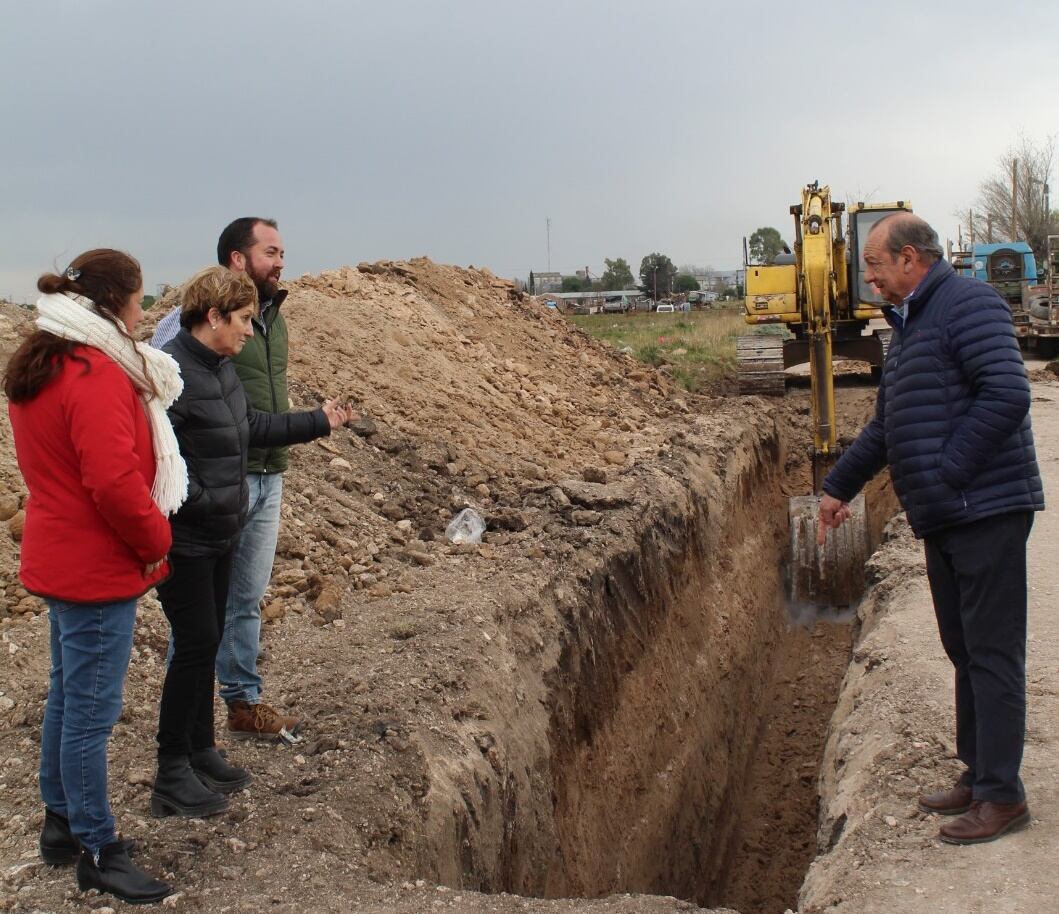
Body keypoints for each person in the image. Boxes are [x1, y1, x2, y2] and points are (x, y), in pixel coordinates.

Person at [818, 213, 1044, 845]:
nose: (867, 276)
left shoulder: (969, 304)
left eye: (874, 264)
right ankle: (980, 775)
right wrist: (838, 488)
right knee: (964, 649)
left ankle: (1003, 797)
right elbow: (888, 429)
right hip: (949, 514)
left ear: (911, 259)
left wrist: (948, 473)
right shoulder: (910, 326)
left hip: (985, 509)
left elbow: (1007, 394)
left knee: (992, 652)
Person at [5, 250, 186, 903]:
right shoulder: (95, 372)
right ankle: (96, 846)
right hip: (97, 564)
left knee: (66, 693)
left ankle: (61, 823)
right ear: (115, 301)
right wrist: (158, 538)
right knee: (89, 709)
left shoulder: (45, 361)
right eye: (139, 300)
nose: (144, 312)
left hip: (60, 553)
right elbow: (112, 480)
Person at [150, 266, 352, 817]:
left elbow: (251, 429)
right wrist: (180, 519)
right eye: (242, 320)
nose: (248, 331)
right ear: (212, 317)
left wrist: (318, 422)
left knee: (207, 642)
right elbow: (151, 462)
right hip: (186, 539)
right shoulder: (174, 378)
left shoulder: (219, 369)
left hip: (221, 534)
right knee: (194, 648)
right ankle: (171, 771)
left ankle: (200, 749)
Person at [152, 218, 307, 740]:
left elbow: (256, 413)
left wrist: (318, 422)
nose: (281, 261)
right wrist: (191, 492)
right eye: (271, 251)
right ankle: (187, 729)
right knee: (198, 617)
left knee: (242, 599)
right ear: (238, 258)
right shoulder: (183, 328)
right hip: (211, 490)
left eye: (282, 251)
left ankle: (241, 705)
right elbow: (161, 413)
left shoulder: (272, 318)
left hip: (262, 476)